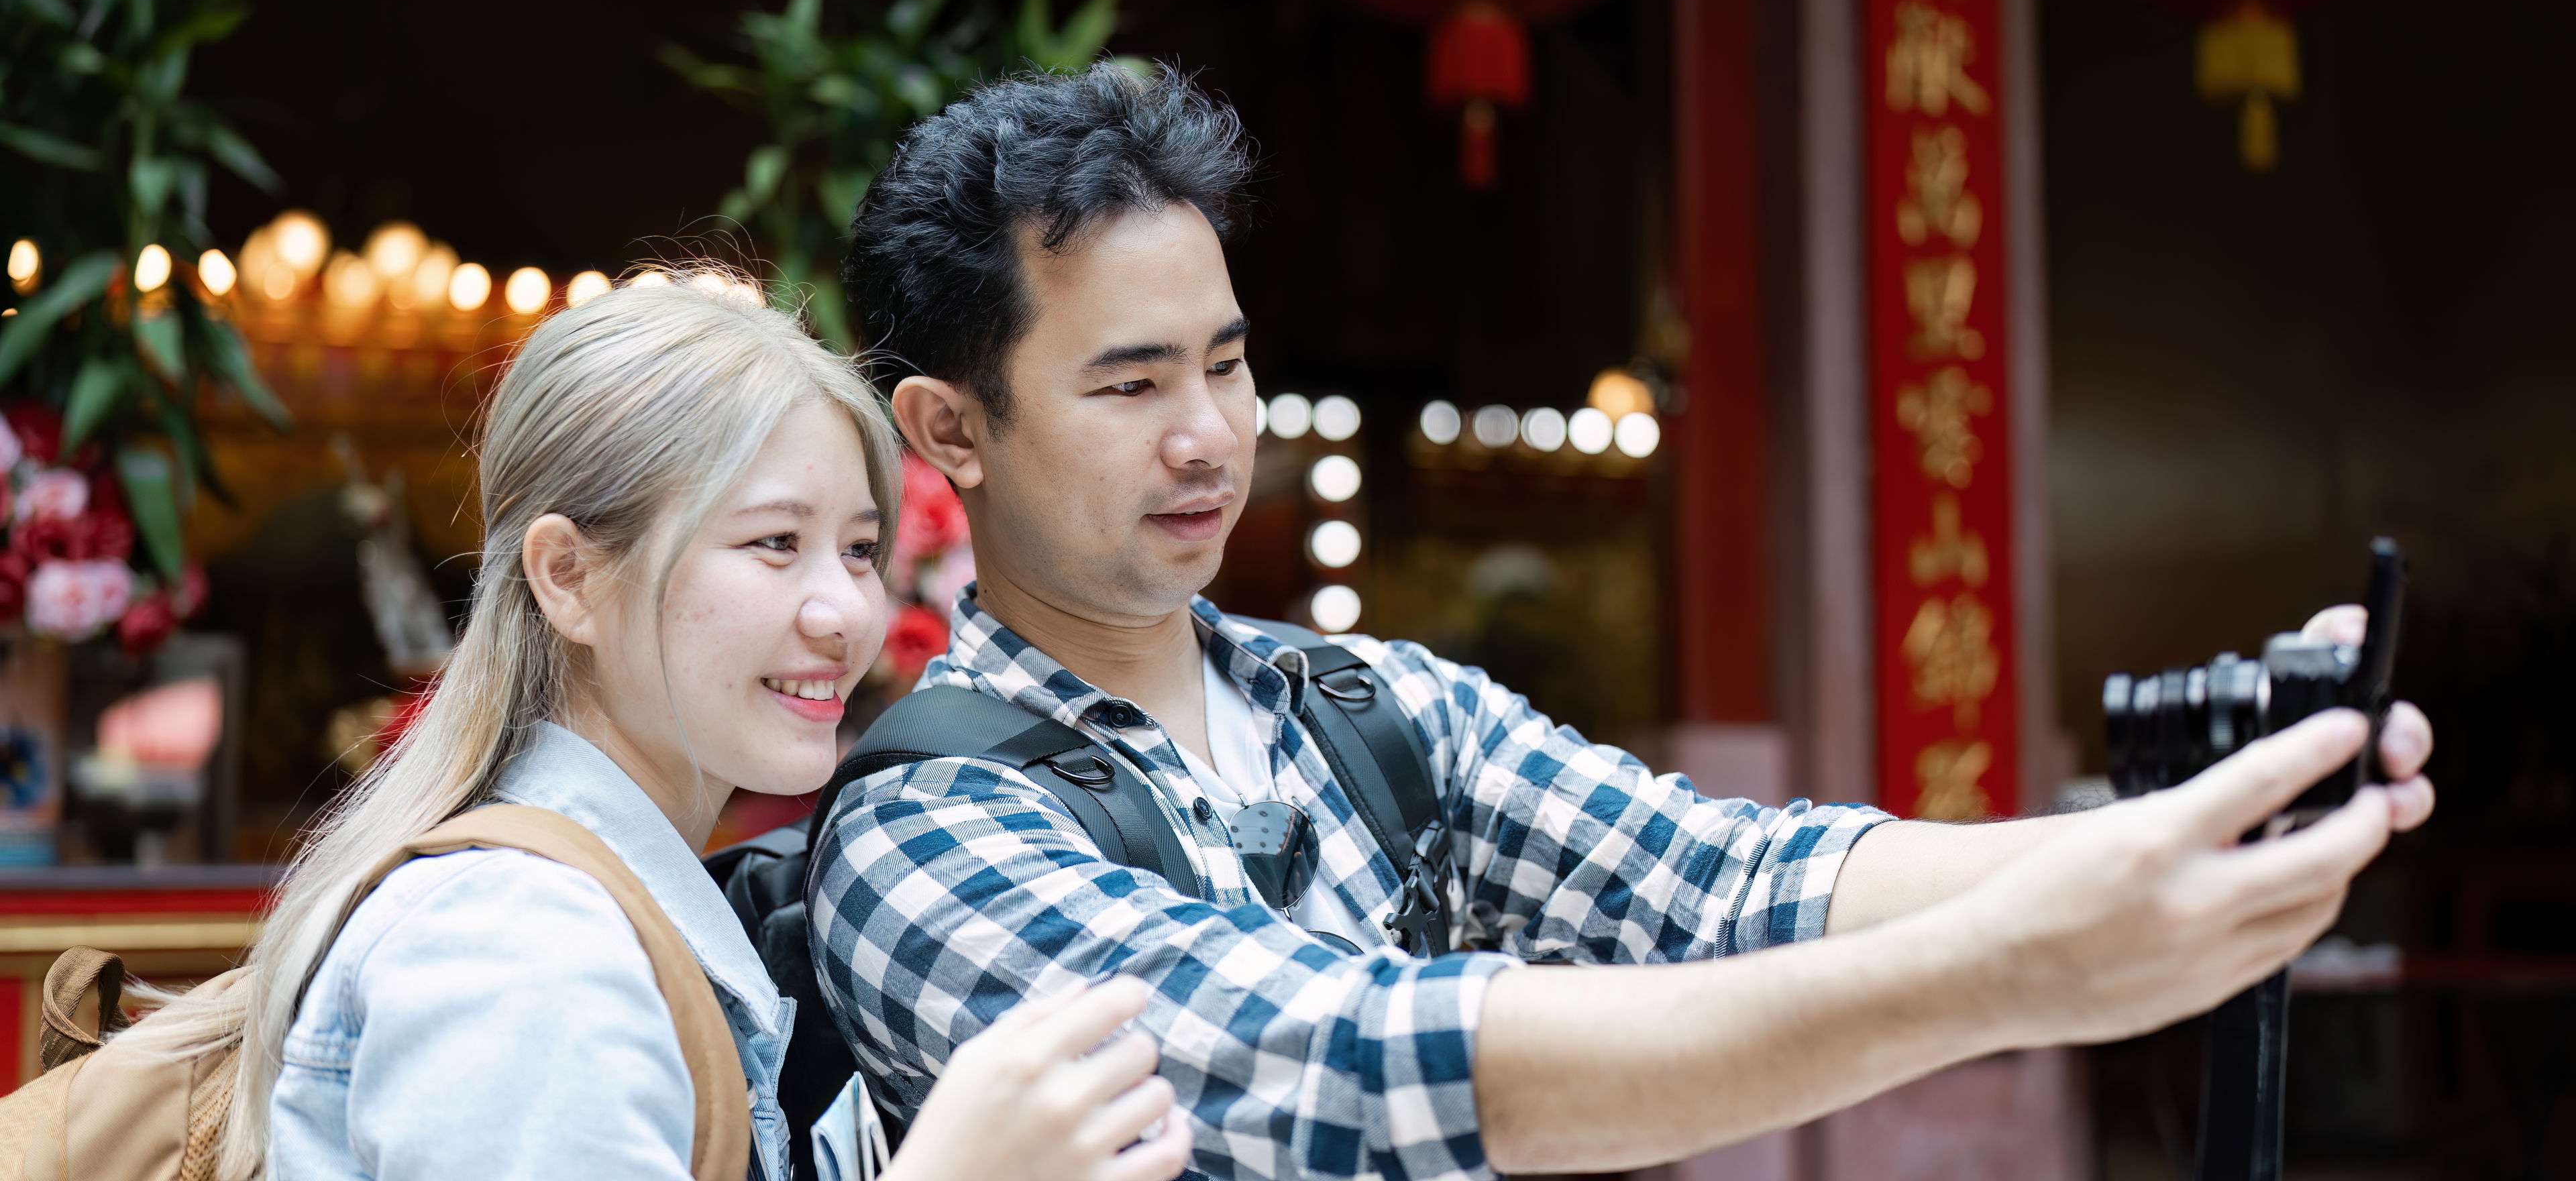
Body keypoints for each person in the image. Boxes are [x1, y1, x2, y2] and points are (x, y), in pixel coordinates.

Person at [810, 64, 2440, 1181]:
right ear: (950, 434)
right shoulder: (926, 836)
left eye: (1226, 363)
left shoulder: (1369, 707)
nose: (1210, 436)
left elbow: (1730, 881)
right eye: (1130, 382)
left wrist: (2202, 814)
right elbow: (1385, 1070)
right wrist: (2020, 975)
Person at [103, 279, 1195, 1181]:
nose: (845, 611)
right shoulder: (524, 951)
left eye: (860, 550)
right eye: (774, 543)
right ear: (569, 578)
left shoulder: (575, 910)